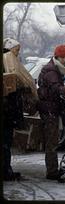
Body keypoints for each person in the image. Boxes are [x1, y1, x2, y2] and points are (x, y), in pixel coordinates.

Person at [37, 44, 65, 183]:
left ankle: (53, 169)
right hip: (49, 110)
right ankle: (52, 172)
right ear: (58, 57)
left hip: (51, 109)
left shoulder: (55, 69)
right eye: (64, 57)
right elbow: (56, 88)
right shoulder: (51, 71)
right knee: (52, 142)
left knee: (52, 141)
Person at [3, 38, 23, 181]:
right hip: (6, 112)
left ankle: (7, 169)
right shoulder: (6, 64)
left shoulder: (10, 64)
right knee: (5, 143)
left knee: (6, 143)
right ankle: (6, 171)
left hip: (8, 111)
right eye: (16, 50)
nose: (17, 53)